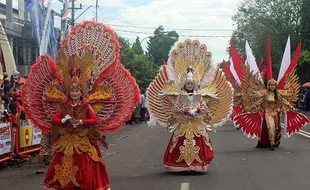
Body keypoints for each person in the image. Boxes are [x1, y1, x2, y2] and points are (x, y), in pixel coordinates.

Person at [22, 21, 140, 190]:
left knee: (86, 167)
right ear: (69, 91)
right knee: (62, 167)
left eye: (77, 91)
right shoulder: (64, 105)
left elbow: (95, 120)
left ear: (81, 92)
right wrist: (64, 121)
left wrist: (81, 122)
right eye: (72, 90)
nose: (75, 93)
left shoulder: (87, 105)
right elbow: (55, 119)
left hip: (83, 140)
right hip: (66, 140)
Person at [146, 39, 233, 172]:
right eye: (188, 84)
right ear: (184, 85)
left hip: (197, 125)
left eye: (191, 84)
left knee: (200, 145)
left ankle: (197, 166)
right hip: (183, 125)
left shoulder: (200, 96)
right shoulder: (179, 96)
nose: (190, 86)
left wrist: (198, 110)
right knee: (179, 146)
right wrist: (185, 111)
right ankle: (180, 167)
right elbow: (175, 109)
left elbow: (205, 109)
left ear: (195, 85)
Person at [233, 64, 309, 150]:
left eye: (274, 85)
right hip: (268, 112)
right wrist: (252, 107)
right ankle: (272, 143)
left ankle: (275, 142)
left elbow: (284, 101)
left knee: (276, 128)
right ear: (268, 85)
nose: (272, 87)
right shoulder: (265, 93)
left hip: (276, 113)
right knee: (270, 127)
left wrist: (291, 107)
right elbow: (259, 101)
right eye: (271, 85)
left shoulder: (278, 94)